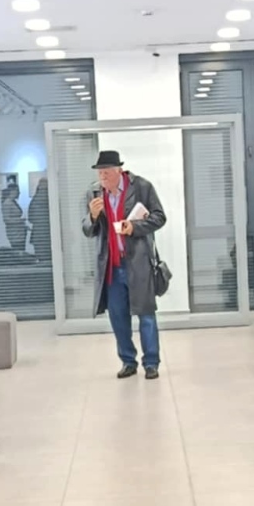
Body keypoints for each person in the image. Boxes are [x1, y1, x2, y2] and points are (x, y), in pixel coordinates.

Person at [82, 150, 165, 379]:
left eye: (107, 172)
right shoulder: (94, 193)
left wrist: (134, 228)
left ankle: (151, 363)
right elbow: (88, 230)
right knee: (118, 318)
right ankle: (128, 361)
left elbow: (159, 217)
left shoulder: (142, 187)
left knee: (146, 315)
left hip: (138, 264)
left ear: (119, 170)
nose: (103, 177)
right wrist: (92, 216)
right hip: (112, 268)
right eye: (100, 173)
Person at [27, 176, 51, 259]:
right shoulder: (52, 199)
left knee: (40, 255)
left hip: (37, 232)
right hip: (49, 231)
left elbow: (30, 218)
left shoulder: (34, 200)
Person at [1, 180, 27, 251]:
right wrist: (20, 220)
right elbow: (6, 220)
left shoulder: (13, 202)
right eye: (18, 191)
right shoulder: (7, 203)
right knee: (18, 251)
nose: (19, 193)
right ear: (13, 191)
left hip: (19, 232)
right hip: (15, 234)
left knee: (21, 250)